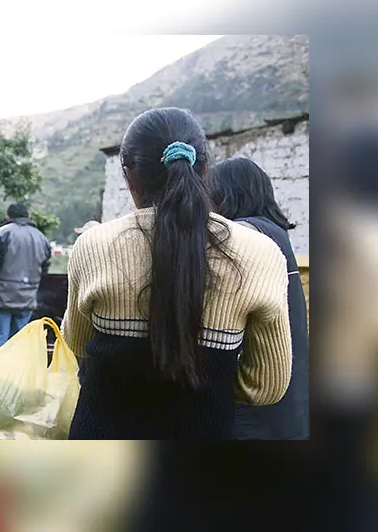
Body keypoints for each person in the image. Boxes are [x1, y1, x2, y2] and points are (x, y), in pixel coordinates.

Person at [61, 107, 292, 440]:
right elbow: (266, 386)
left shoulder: (94, 245)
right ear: (204, 170)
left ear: (129, 176)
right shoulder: (260, 253)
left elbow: (79, 343)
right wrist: (206, 384)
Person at [207, 157, 309, 440]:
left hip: (255, 408)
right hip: (288, 404)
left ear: (224, 195)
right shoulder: (275, 234)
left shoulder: (248, 234)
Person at [0, 203, 52, 348]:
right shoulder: (41, 238)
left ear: (8, 216)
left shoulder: (3, 233)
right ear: (28, 217)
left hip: (1, 296)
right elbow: (44, 269)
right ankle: (16, 370)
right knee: (18, 344)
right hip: (27, 298)